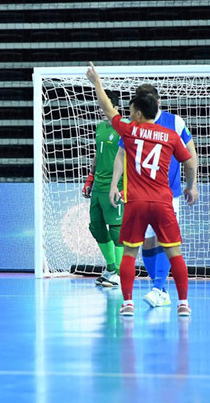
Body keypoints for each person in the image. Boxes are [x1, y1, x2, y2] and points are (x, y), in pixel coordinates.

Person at [86, 63, 198, 318]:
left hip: (136, 202)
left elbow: (107, 108)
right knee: (175, 253)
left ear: (137, 111)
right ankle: (183, 303)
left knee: (129, 253)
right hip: (162, 201)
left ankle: (128, 303)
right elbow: (189, 160)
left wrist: (97, 82)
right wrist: (191, 184)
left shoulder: (129, 130)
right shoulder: (168, 135)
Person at [110, 83, 198, 308]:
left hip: (169, 194)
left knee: (164, 244)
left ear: (157, 101)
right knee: (148, 244)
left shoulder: (174, 122)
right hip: (143, 194)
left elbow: (191, 154)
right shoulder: (134, 125)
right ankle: (160, 288)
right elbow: (121, 154)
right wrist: (115, 183)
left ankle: (159, 288)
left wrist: (193, 184)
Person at [82, 90, 125, 288]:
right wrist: (90, 178)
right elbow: (97, 155)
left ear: (115, 107)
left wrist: (126, 186)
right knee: (96, 227)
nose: (101, 109)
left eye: (105, 105)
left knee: (117, 231)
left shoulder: (125, 128)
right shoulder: (100, 128)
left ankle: (119, 273)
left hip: (115, 186)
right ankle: (110, 268)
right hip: (98, 186)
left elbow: (130, 158)